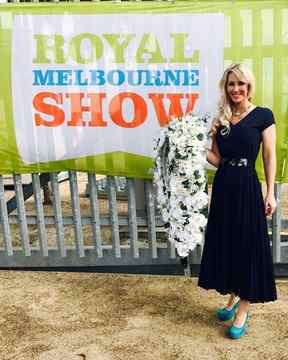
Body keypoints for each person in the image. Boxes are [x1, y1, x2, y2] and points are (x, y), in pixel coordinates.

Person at [197, 63, 277, 339]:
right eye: (231, 84)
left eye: (241, 84)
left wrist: (270, 192)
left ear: (249, 86)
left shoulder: (263, 116)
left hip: (246, 186)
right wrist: (194, 147)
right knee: (228, 242)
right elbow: (217, 160)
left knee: (247, 244)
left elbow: (269, 155)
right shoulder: (220, 120)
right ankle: (232, 297)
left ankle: (244, 306)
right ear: (226, 87)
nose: (236, 89)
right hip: (224, 186)